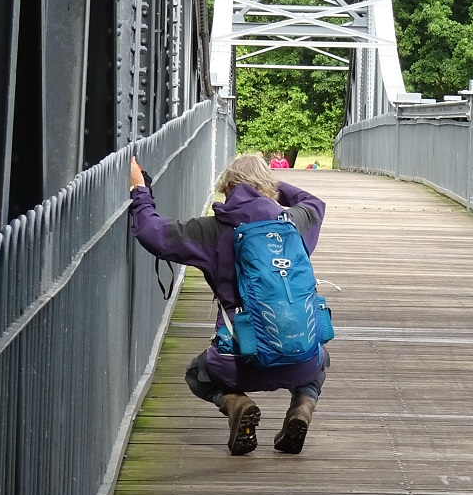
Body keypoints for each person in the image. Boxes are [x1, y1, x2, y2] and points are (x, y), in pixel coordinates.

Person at [128, 151, 330, 457]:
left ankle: (237, 403)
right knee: (320, 357)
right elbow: (314, 202)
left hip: (238, 363)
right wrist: (271, 185)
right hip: (300, 364)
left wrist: (139, 190)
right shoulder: (294, 224)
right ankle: (302, 407)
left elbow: (152, 232)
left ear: (227, 189)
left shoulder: (213, 230)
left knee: (197, 373)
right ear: (270, 188)